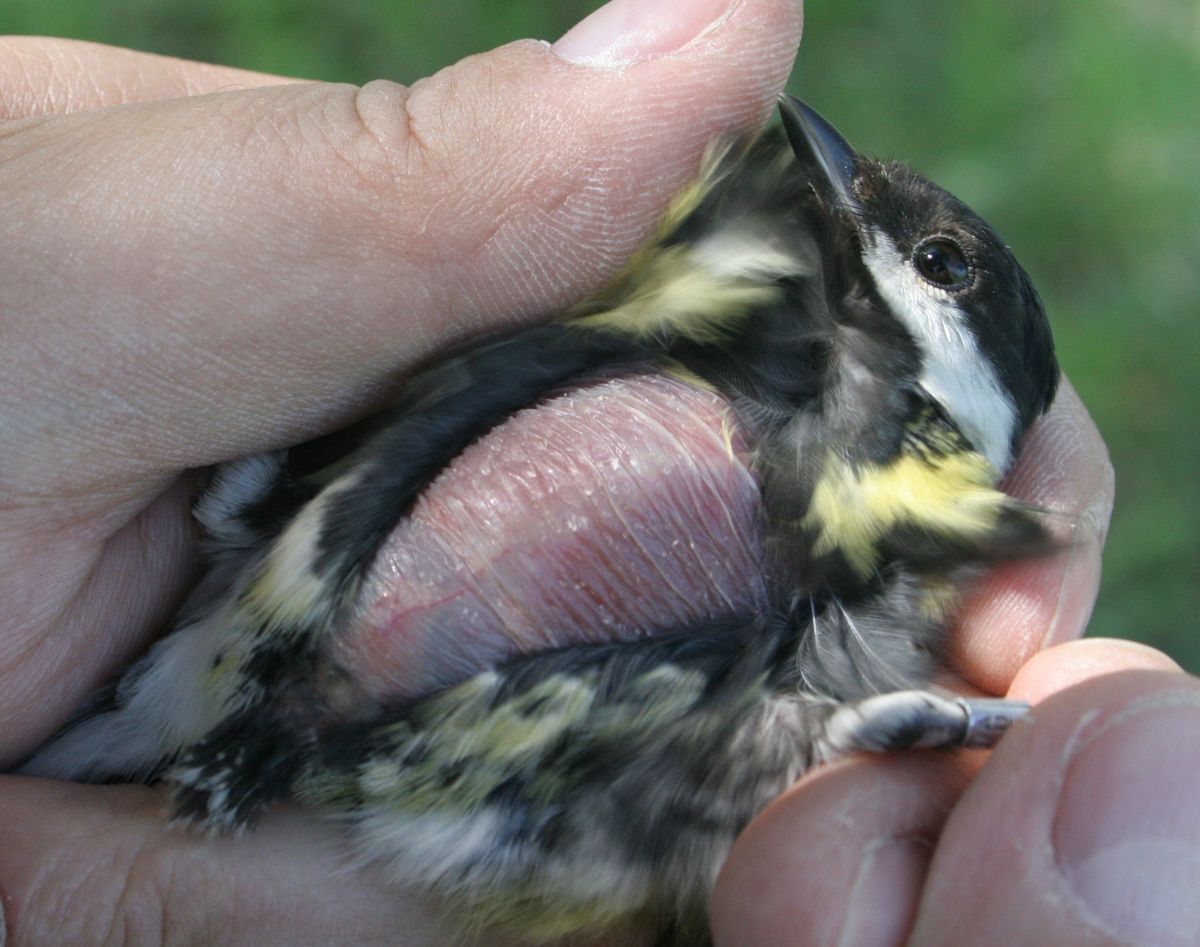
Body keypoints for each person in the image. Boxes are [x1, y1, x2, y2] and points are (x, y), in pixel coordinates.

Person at [0, 1, 1195, 944]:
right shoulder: (693, 309)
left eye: (930, 259)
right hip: (218, 640)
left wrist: (874, 732)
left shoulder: (904, 504)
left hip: (385, 770)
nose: (842, 188)